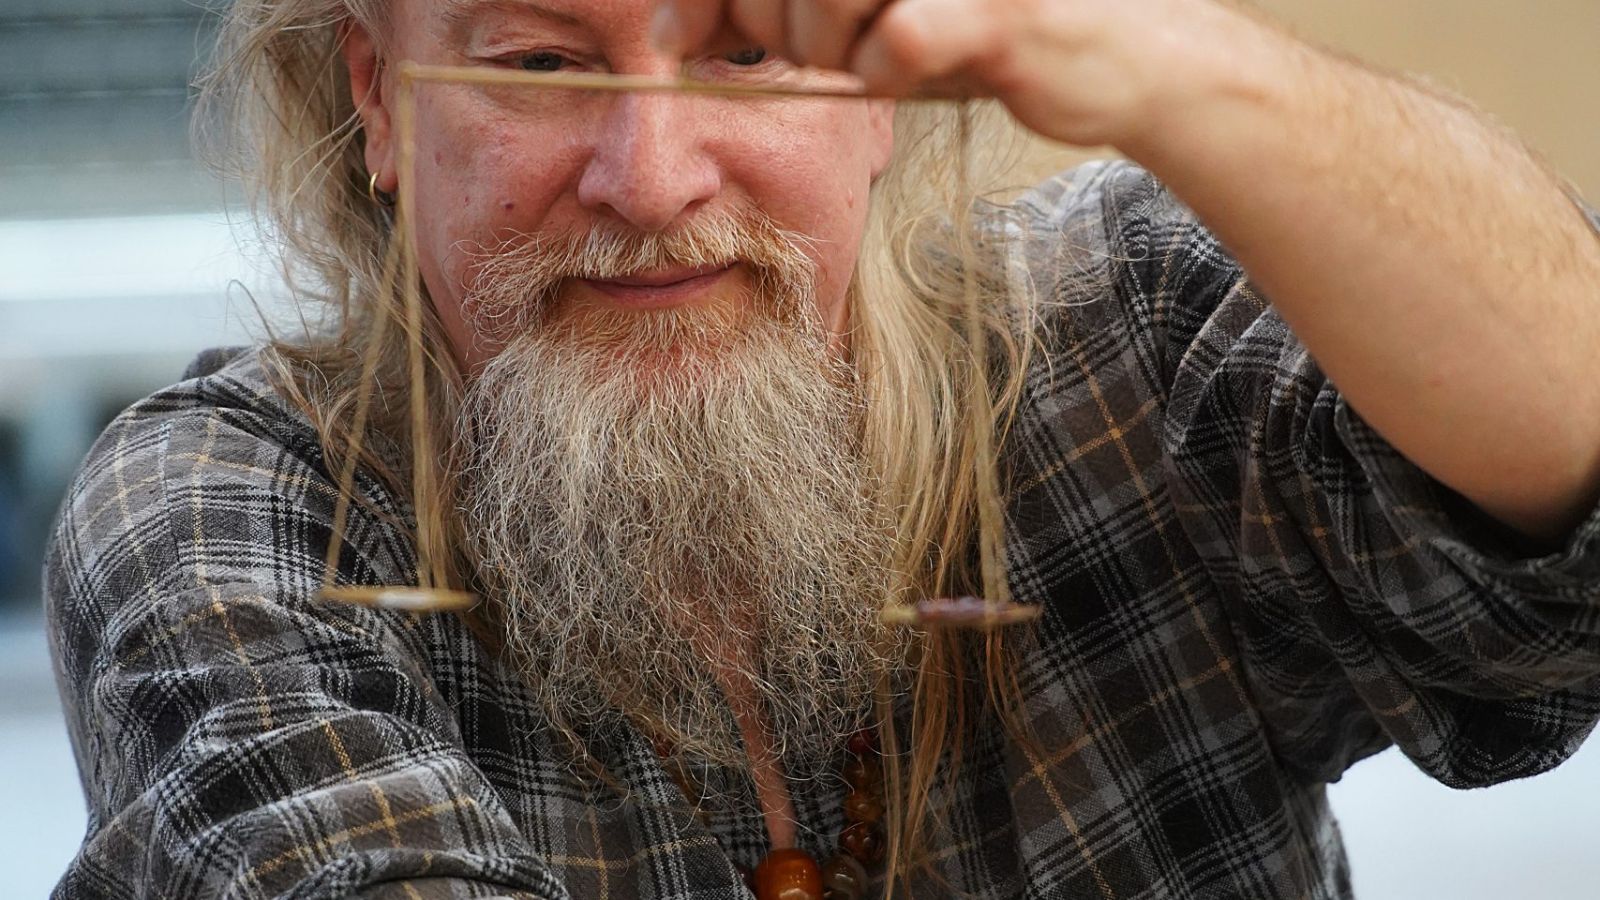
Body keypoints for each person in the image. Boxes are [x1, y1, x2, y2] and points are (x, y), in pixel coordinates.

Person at [45, 0, 1600, 898]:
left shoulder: (1126, 333)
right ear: (380, 100)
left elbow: (1554, 563)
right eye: (538, 62)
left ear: (885, 96)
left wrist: (1191, 68)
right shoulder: (229, 518)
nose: (653, 179)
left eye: (745, 48)